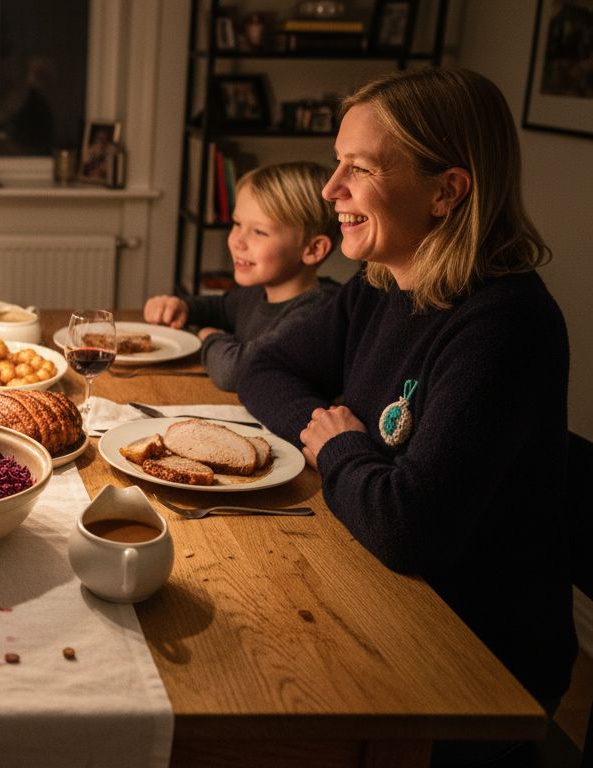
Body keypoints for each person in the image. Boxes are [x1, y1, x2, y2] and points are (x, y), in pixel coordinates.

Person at [239, 67, 574, 754]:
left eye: (358, 168)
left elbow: (406, 525)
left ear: (446, 191)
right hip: (378, 592)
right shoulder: (381, 286)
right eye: (338, 165)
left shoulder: (505, 325)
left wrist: (338, 450)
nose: (332, 190)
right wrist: (329, 428)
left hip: (471, 663)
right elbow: (263, 367)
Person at [143, 161, 339, 391]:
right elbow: (220, 308)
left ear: (313, 249)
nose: (237, 241)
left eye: (259, 231)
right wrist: (181, 307)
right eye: (237, 223)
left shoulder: (318, 313)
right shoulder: (257, 293)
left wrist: (210, 338)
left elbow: (235, 372)